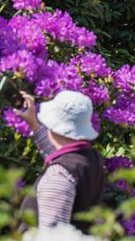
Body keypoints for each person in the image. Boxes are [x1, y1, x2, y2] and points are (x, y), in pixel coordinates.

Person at [16, 90, 108, 231]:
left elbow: (51, 237)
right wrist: (33, 124)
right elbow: (60, 154)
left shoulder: (59, 174)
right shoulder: (91, 158)